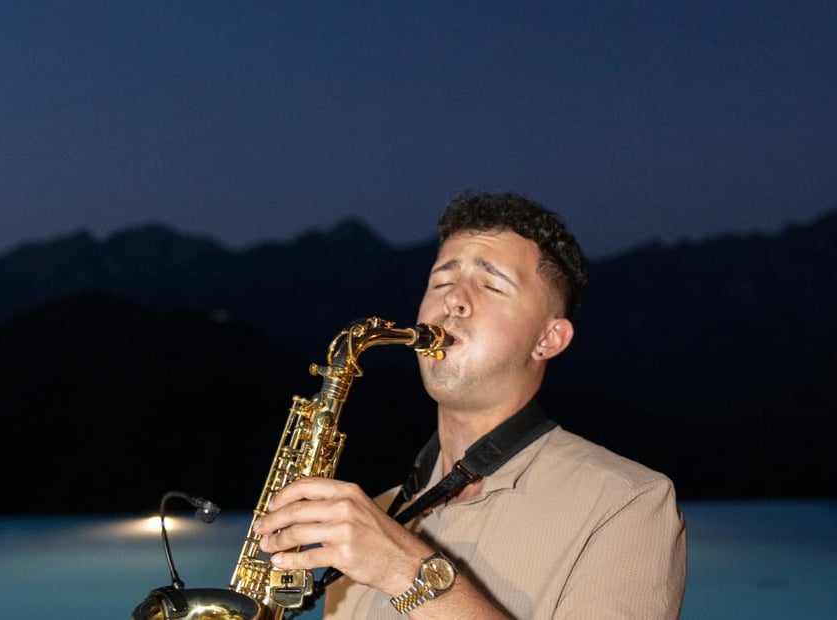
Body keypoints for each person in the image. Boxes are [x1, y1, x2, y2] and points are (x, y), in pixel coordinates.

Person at [253, 190, 687, 619]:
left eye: (491, 285)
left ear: (548, 339)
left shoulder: (627, 502)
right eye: (441, 282)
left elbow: (399, 564)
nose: (452, 301)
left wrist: (405, 570)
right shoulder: (371, 518)